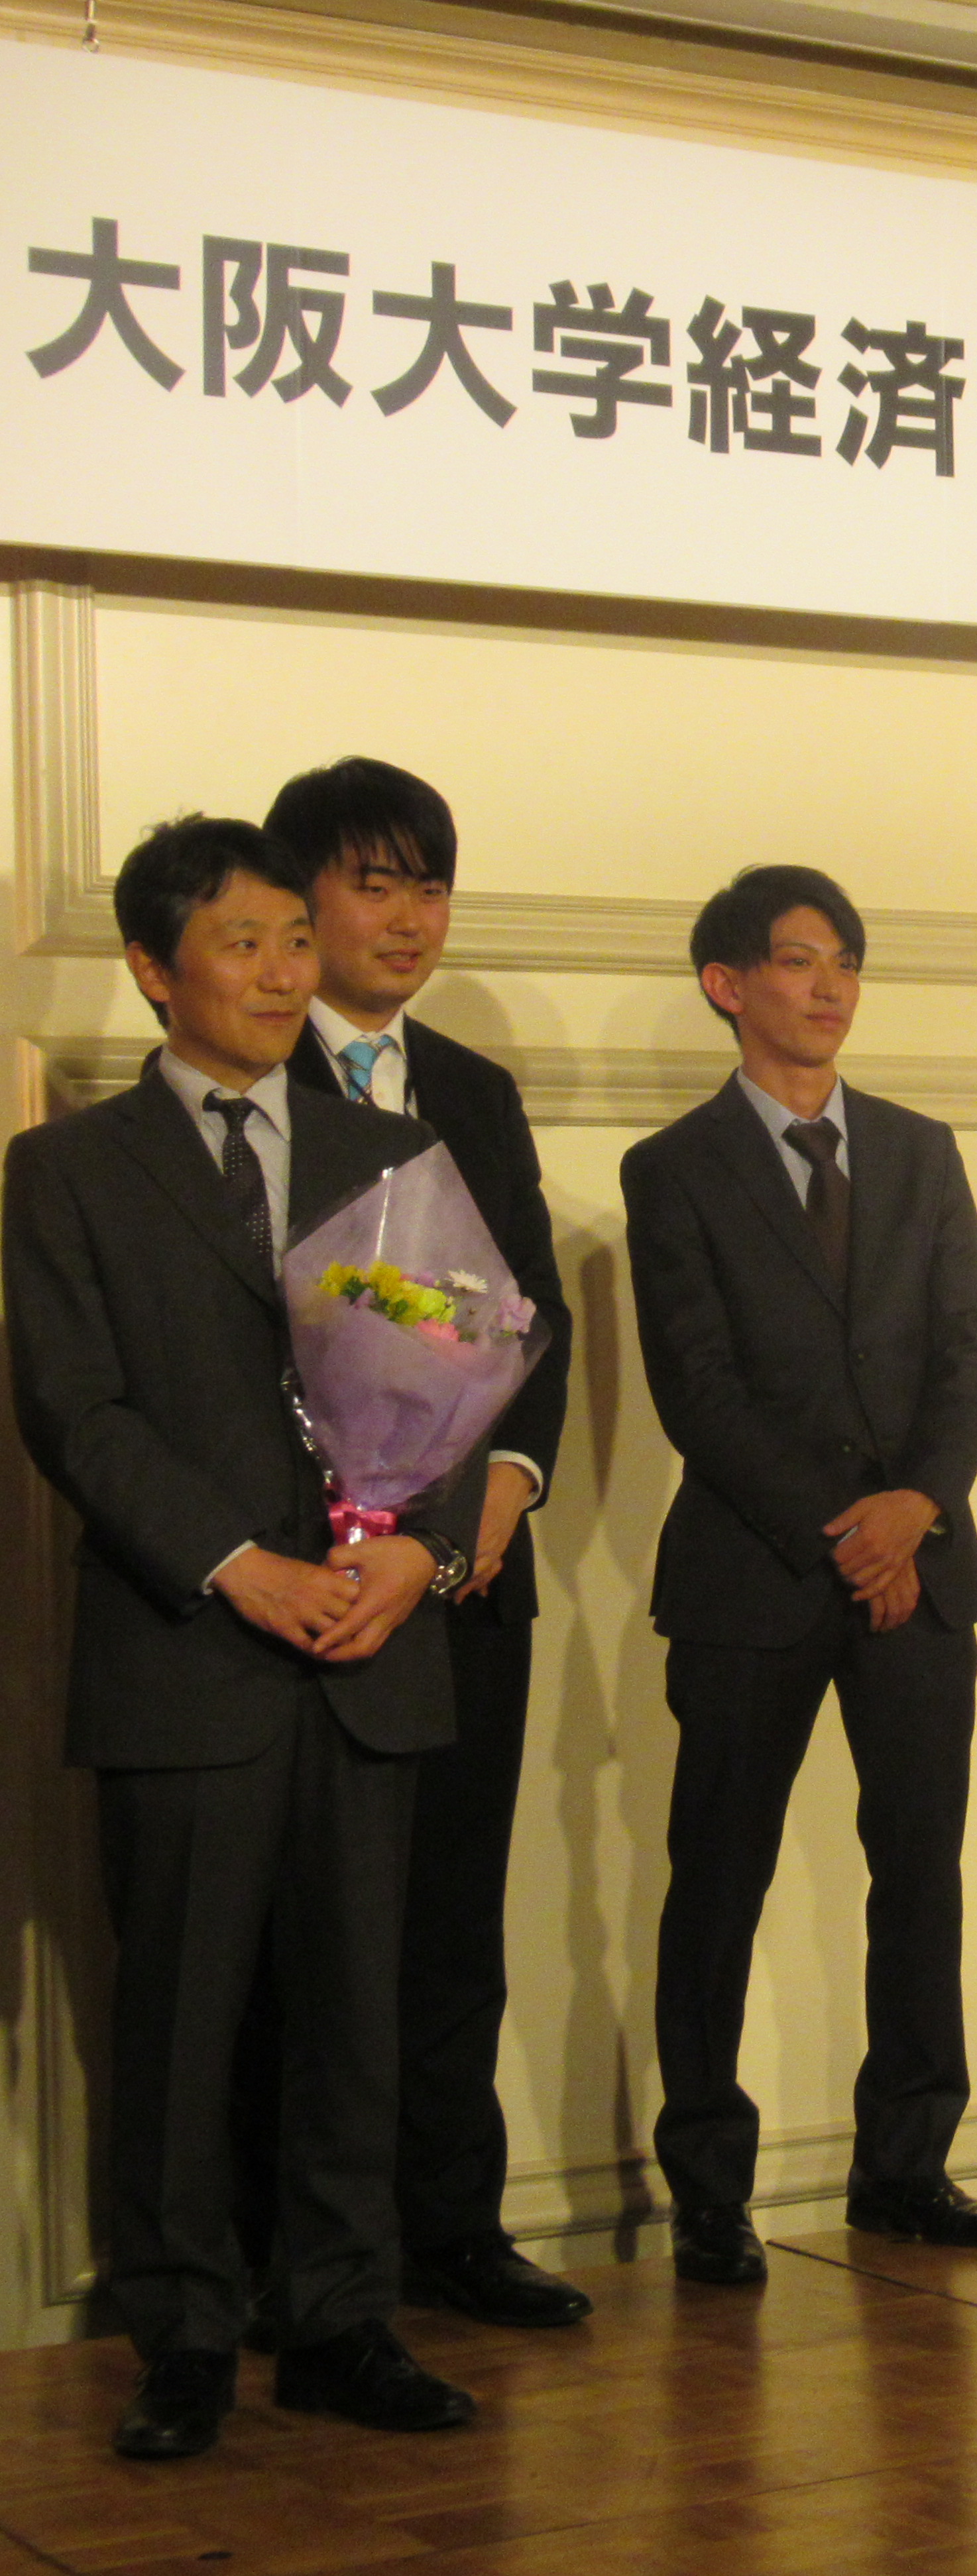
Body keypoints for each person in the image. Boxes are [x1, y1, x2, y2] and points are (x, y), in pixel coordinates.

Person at [4, 818, 484, 2459]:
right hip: (188, 1652)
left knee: (360, 2016)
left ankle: (345, 2320)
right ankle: (185, 2334)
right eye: (245, 943)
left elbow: (464, 1378)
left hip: (371, 1646)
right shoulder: (69, 1170)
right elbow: (76, 1411)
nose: (285, 974)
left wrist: (418, 1552)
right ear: (156, 969)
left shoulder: (388, 1152)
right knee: (180, 2020)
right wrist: (234, 1567)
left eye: (296, 939)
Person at [622, 865, 977, 2287]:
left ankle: (906, 2166)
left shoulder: (920, 1149)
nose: (831, 985)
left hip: (925, 1570)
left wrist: (917, 1508)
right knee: (717, 1880)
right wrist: (852, 1532)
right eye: (799, 960)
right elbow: (699, 1391)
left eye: (846, 959)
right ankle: (709, 2191)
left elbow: (968, 1353)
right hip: (753, 1576)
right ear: (728, 985)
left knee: (920, 1872)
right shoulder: (672, 1170)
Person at [259, 757, 591, 2333]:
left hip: (466, 1581)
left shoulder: (473, 1086)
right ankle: (300, 2266)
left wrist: (502, 1490)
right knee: (306, 1933)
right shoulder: (244, 1075)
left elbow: (530, 1318)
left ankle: (454, 2225)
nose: (408, 917)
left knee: (455, 1918)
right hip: (308, 1585)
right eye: (375, 881)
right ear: (299, 898)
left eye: (431, 885)